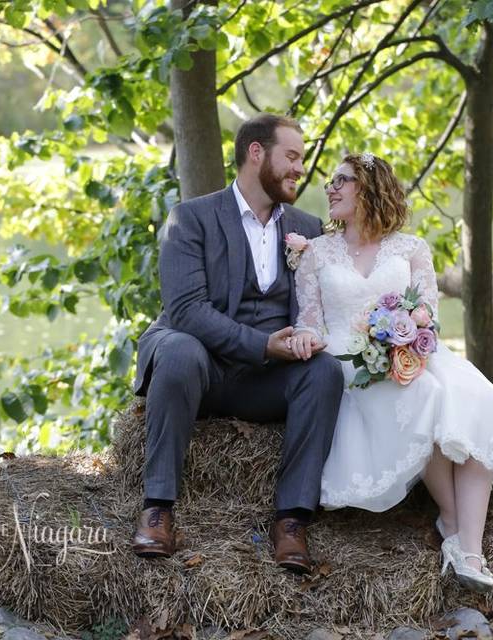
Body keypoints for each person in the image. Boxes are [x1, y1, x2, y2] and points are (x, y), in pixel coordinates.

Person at [287, 152, 493, 591]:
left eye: (341, 180)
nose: (330, 188)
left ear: (369, 189)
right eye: (330, 181)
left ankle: (469, 548)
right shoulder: (315, 253)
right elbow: (311, 322)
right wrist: (303, 338)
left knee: (477, 398)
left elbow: (427, 309)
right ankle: (452, 520)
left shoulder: (411, 248)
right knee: (423, 394)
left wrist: (409, 330)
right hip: (349, 363)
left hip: (408, 350)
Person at [131, 113, 344, 575]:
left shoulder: (307, 229)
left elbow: (320, 308)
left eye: (302, 160)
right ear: (255, 153)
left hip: (264, 381)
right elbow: (186, 310)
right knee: (180, 347)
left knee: (324, 372)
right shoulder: (190, 218)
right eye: (291, 157)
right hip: (200, 369)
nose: (298, 169)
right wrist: (264, 344)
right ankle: (158, 508)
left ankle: (292, 520)